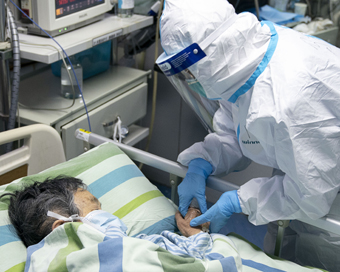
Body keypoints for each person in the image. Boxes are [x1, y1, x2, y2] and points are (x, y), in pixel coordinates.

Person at [155, 0, 340, 271]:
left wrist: (240, 200)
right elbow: (240, 131)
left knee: (320, 259)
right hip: (308, 171)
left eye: (190, 72)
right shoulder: (239, 67)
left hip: (329, 191)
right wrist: (202, 162)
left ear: (209, 58)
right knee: (280, 249)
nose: (191, 79)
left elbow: (312, 193)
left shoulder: (292, 93)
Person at [2, 176, 213, 260]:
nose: (110, 216)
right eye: (97, 208)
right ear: (63, 228)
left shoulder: (135, 245)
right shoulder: (133, 247)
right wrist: (194, 232)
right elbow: (201, 260)